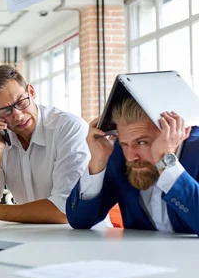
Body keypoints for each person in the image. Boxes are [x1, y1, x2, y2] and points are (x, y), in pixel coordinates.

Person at [0, 65, 93, 225]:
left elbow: (64, 210)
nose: (18, 115)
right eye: (5, 110)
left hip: (83, 240)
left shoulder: (69, 128)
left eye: (20, 102)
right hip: (31, 238)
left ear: (31, 92)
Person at [67, 97, 199, 235]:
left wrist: (166, 161)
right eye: (124, 144)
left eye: (142, 143)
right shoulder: (117, 155)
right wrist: (97, 161)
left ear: (180, 133)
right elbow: (80, 221)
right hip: (137, 255)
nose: (130, 157)